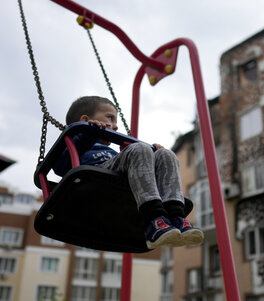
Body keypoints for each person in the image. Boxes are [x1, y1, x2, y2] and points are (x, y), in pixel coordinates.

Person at [53, 96, 203, 249]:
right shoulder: (72, 144)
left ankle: (176, 217)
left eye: (116, 121)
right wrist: (86, 134)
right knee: (140, 148)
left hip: (121, 183)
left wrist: (154, 157)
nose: (116, 126)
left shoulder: (110, 151)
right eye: (110, 118)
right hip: (93, 181)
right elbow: (59, 166)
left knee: (166, 154)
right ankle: (154, 220)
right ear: (85, 119)